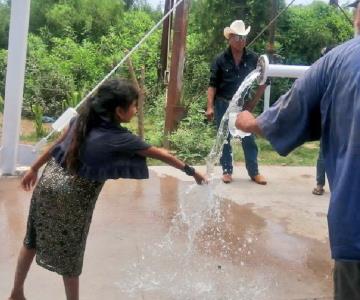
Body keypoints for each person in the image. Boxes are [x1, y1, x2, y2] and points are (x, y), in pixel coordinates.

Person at [8, 78, 207, 300]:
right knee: (71, 257)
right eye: (134, 105)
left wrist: (33, 168)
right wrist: (193, 172)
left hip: (48, 183)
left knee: (31, 240)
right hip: (74, 196)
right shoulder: (121, 138)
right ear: (119, 112)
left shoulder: (80, 119)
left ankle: (16, 292)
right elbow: (162, 154)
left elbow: (56, 144)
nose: (136, 109)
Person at [235, 5, 360, 299]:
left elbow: (288, 114)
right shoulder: (222, 61)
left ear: (357, 18)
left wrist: (250, 122)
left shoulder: (336, 62)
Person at [206, 20, 267, 184]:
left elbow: (264, 82)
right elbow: (212, 85)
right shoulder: (220, 59)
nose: (242, 40)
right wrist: (210, 106)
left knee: (249, 137)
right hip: (222, 104)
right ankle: (227, 171)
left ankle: (254, 172)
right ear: (230, 38)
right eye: (238, 37)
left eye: (244, 37)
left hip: (243, 105)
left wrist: (252, 104)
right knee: (224, 138)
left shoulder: (254, 58)